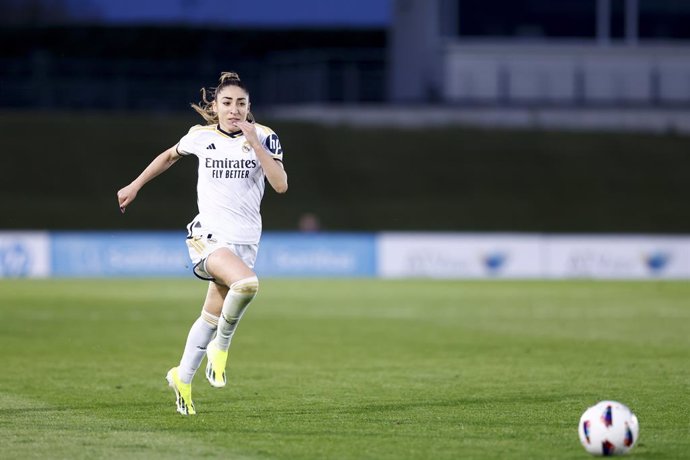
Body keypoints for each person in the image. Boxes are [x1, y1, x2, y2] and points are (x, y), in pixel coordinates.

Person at [117, 71, 288, 415]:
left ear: (249, 106)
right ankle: (220, 348)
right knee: (247, 284)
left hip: (245, 241)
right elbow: (168, 156)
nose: (234, 109)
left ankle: (182, 376)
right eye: (227, 103)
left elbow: (280, 184)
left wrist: (254, 142)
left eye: (241, 103)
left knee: (211, 315)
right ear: (215, 106)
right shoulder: (200, 136)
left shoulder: (266, 137)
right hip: (207, 236)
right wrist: (135, 185)